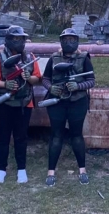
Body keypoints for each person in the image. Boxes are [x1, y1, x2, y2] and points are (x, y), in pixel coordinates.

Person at [0, 25, 41, 184]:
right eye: (15, 39)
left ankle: (21, 169)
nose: (19, 42)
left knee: (21, 137)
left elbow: (37, 79)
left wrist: (28, 77)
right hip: (4, 104)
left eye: (21, 39)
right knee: (3, 136)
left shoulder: (30, 57)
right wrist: (4, 85)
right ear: (8, 40)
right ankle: (1, 169)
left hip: (25, 103)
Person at [41, 28, 95, 187]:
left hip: (77, 101)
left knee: (76, 135)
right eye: (65, 39)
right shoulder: (54, 58)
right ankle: (51, 172)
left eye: (72, 39)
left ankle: (82, 170)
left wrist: (78, 86)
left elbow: (91, 80)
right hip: (56, 102)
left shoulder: (84, 57)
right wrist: (50, 88)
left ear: (77, 41)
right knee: (56, 136)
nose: (69, 43)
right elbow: (45, 78)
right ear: (61, 41)